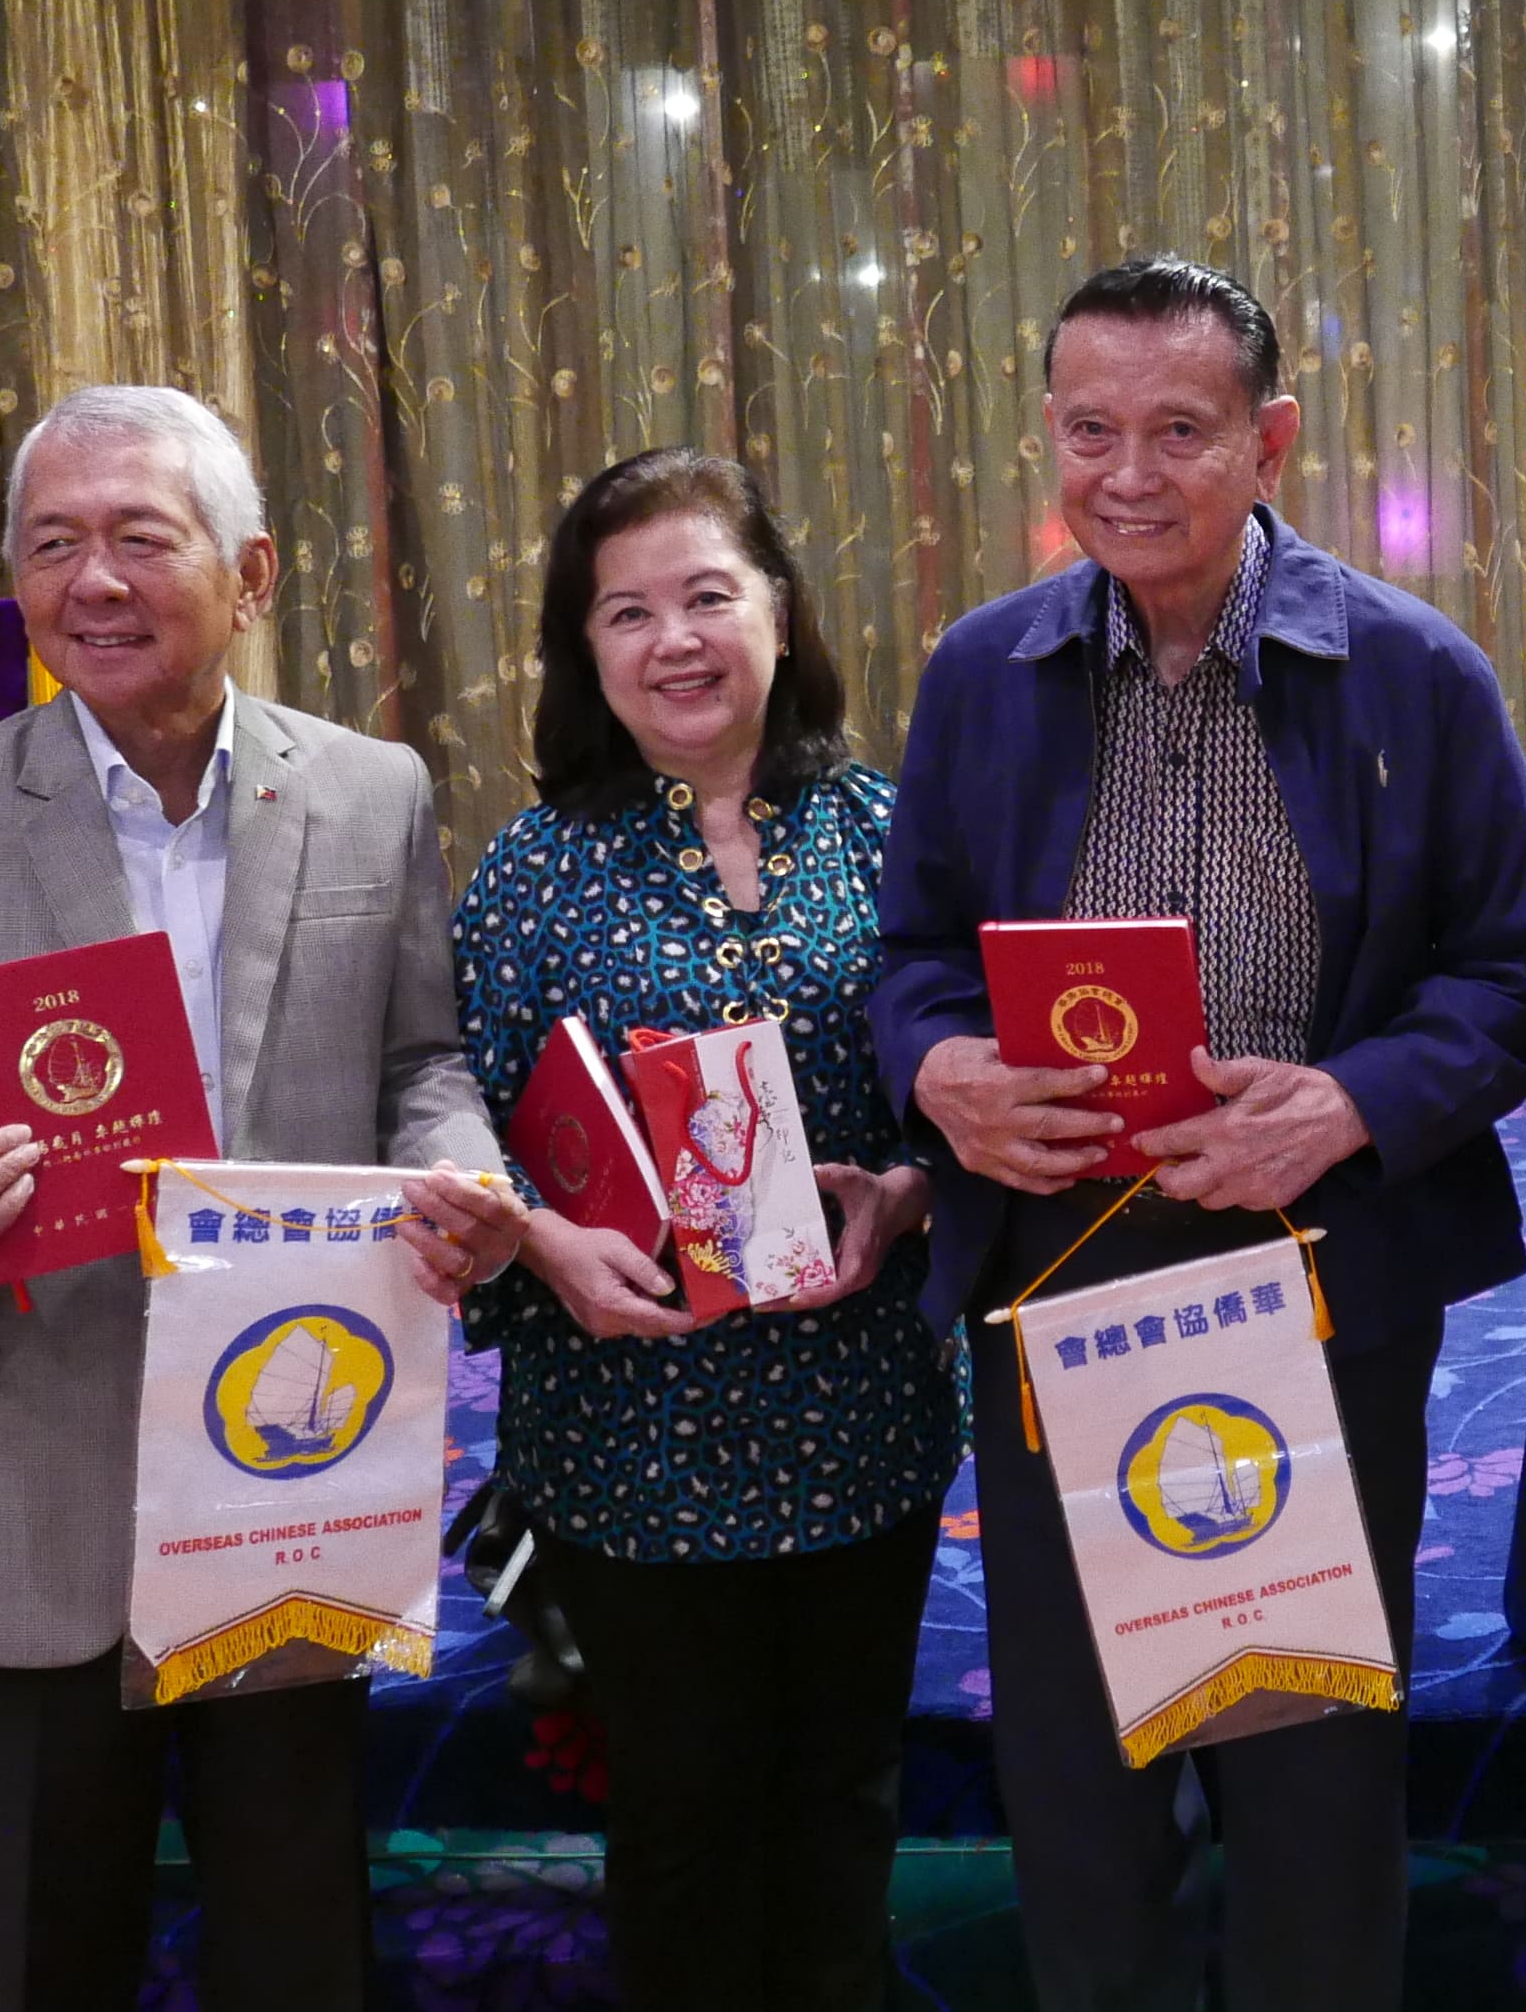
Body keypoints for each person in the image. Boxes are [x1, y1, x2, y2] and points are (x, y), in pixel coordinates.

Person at [0, 384, 525, 2012]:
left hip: (288, 1471)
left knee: (297, 1949)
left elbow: (421, 1060)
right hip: (14, 1485)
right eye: (52, 546)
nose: (92, 581)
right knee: (39, 1964)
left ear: (251, 574)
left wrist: (460, 1167)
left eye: (137, 538)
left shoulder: (371, 793)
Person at [871, 255, 1526, 2012]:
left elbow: (1515, 968)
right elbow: (912, 956)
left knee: (1308, 1772)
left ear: (1271, 443)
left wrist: (1350, 1101)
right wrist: (939, 1068)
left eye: (1180, 431)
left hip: (1315, 1272)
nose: (1128, 476)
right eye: (1089, 431)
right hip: (1060, 1272)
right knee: (1080, 1772)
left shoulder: (1410, 672)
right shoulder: (982, 673)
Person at [450, 448, 957, 2012]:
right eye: (626, 612)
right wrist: (537, 1237)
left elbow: (966, 1088)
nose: (673, 640)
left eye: (707, 597)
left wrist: (913, 1187)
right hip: (632, 1435)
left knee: (845, 1810)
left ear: (781, 618)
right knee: (680, 1832)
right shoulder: (529, 876)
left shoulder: (894, 835)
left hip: (859, 1416)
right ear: (584, 653)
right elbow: (454, 1123)